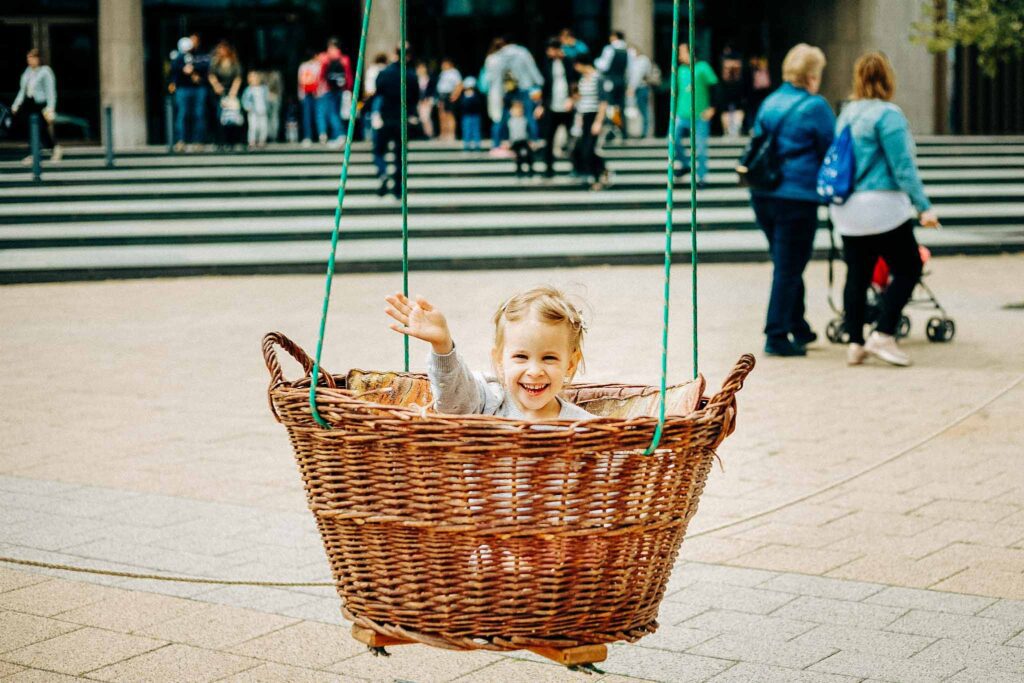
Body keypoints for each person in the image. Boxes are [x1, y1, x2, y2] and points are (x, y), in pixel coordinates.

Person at [834, 52, 940, 367]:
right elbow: (903, 167)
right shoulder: (889, 115)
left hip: (848, 209)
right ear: (888, 79)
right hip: (883, 207)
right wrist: (924, 207)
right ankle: (883, 333)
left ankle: (854, 342)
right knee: (909, 268)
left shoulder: (847, 114)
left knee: (857, 274)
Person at [383, 287, 594, 420]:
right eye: (521, 357)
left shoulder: (583, 426)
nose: (535, 371)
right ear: (499, 360)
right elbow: (453, 401)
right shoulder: (489, 399)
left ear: (570, 364)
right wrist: (442, 345)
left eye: (549, 358)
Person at [748, 43, 836, 357]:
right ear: (812, 75)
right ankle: (776, 334)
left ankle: (798, 325)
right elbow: (832, 151)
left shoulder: (770, 102)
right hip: (797, 196)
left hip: (762, 193)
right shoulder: (816, 107)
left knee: (786, 261)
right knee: (789, 265)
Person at [372, 45, 420, 199]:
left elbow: (378, 92)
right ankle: (398, 189)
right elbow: (415, 97)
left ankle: (383, 173)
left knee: (379, 151)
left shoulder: (384, 74)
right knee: (400, 156)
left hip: (386, 118)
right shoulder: (411, 75)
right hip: (402, 119)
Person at [674, 43, 717, 185]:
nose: (680, 56)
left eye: (682, 52)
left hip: (700, 115)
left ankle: (702, 177)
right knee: (673, 139)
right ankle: (686, 164)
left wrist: (713, 107)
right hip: (682, 113)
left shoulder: (703, 67)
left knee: (700, 147)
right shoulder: (680, 70)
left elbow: (716, 87)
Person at [12, 48, 61, 163]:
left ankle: (54, 148)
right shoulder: (27, 72)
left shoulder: (45, 71)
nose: (30, 61)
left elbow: (50, 91)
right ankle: (35, 152)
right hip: (29, 104)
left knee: (41, 129)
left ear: (38, 59)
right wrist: (16, 105)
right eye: (28, 58)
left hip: (40, 104)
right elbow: (22, 90)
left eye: (32, 58)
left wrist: (51, 107)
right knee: (31, 128)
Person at [537, 37, 576, 177]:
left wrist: (572, 99)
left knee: (572, 138)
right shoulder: (546, 63)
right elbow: (544, 86)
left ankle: (576, 166)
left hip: (566, 106)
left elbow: (574, 82)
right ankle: (548, 169)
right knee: (549, 138)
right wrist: (541, 105)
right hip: (551, 106)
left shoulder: (569, 62)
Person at [572, 53, 610, 191]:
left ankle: (599, 175)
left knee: (590, 149)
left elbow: (603, 102)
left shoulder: (598, 78)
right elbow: (582, 100)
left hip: (595, 116)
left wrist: (598, 121)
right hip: (585, 116)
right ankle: (601, 172)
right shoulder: (582, 79)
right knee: (584, 148)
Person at [169, 36, 208, 152]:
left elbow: (206, 65)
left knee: (199, 114)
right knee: (182, 114)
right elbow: (173, 68)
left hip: (198, 89)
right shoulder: (178, 57)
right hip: (183, 88)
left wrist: (194, 69)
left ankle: (198, 141)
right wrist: (183, 69)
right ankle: (180, 140)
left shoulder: (199, 55)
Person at [595, 30, 631, 140]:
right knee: (621, 107)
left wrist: (596, 62)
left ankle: (613, 128)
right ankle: (622, 129)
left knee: (611, 106)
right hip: (621, 81)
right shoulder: (627, 50)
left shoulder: (609, 49)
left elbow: (604, 66)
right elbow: (629, 69)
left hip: (611, 81)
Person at [209, 41, 243, 150]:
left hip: (231, 91)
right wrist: (216, 86)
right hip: (219, 92)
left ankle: (231, 141)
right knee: (219, 116)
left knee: (231, 117)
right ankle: (220, 141)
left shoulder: (234, 62)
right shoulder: (215, 62)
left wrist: (233, 91)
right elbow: (211, 75)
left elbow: (238, 77)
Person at [317, 37, 351, 146]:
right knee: (336, 112)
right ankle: (337, 134)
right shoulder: (344, 59)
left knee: (332, 113)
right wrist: (348, 88)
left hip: (330, 89)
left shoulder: (326, 58)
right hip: (340, 88)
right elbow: (348, 75)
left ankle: (339, 134)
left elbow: (322, 74)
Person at [627, 47, 657, 138]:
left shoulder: (643, 60)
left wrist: (631, 88)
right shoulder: (633, 62)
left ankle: (645, 132)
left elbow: (638, 75)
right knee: (635, 111)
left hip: (641, 88)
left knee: (644, 110)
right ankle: (637, 131)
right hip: (636, 88)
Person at [717, 45, 745, 137]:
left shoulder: (733, 57)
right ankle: (728, 130)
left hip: (737, 86)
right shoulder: (725, 59)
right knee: (726, 109)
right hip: (727, 87)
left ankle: (734, 129)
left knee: (738, 108)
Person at [297, 51, 321, 146]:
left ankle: (317, 135)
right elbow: (301, 81)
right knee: (307, 116)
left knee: (317, 115)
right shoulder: (306, 66)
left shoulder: (305, 66)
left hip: (316, 93)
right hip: (308, 93)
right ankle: (308, 136)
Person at [435, 58, 462, 142]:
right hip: (441, 95)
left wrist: (455, 95)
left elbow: (459, 84)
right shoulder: (443, 73)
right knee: (442, 116)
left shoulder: (454, 72)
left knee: (450, 115)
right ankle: (443, 134)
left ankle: (451, 134)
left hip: (449, 95)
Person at [241, 71, 270, 148]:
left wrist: (268, 107)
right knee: (253, 127)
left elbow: (267, 99)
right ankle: (252, 141)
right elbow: (244, 100)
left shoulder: (263, 89)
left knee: (263, 126)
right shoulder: (248, 90)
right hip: (253, 112)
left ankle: (262, 141)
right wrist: (247, 107)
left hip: (263, 111)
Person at [506, 100, 534, 179]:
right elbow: (507, 133)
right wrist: (507, 142)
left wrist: (531, 141)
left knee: (528, 156)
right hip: (515, 142)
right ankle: (519, 171)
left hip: (524, 140)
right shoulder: (510, 121)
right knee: (518, 157)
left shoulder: (524, 120)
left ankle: (530, 170)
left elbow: (529, 131)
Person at [456, 76, 483, 151]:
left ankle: (477, 145)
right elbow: (460, 105)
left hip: (475, 116)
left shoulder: (476, 96)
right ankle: (466, 145)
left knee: (475, 131)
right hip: (466, 116)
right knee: (467, 131)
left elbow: (478, 105)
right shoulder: (463, 96)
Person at [415, 61, 436, 139]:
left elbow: (432, 90)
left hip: (428, 100)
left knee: (426, 117)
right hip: (419, 101)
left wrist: (428, 99)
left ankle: (430, 134)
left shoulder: (429, 78)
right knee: (420, 118)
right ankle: (423, 134)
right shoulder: (415, 78)